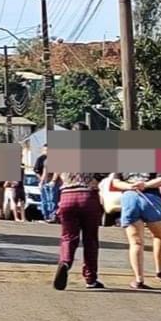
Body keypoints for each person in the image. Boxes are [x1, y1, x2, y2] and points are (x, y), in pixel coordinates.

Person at [53, 122, 105, 291]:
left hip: (67, 197)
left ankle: (65, 262)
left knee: (68, 237)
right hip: (88, 197)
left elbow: (57, 175)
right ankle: (90, 278)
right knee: (90, 240)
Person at [111, 172, 161, 289]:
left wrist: (130, 186)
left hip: (129, 198)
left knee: (136, 242)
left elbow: (116, 182)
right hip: (150, 198)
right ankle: (160, 270)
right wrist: (145, 185)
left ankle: (139, 279)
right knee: (160, 236)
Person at [35, 145, 59, 223]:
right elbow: (44, 173)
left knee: (52, 200)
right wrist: (41, 182)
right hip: (45, 183)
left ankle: (53, 216)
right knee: (44, 201)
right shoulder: (45, 160)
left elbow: (57, 171)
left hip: (53, 183)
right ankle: (46, 216)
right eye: (45, 150)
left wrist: (54, 181)